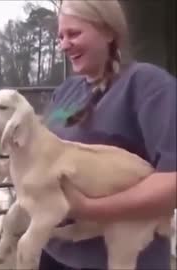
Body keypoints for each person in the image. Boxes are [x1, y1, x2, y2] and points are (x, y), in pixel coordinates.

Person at [41, 0, 176, 269]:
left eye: (74, 34)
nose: (64, 44)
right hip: (55, 252)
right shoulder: (66, 92)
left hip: (120, 259)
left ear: (109, 31)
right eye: (61, 36)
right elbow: (45, 144)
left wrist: (89, 210)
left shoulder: (149, 85)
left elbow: (172, 180)